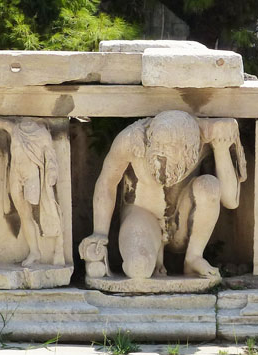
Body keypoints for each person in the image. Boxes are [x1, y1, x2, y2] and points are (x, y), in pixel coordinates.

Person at [78, 110, 246, 280]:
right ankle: (149, 252)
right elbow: (107, 182)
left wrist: (221, 148)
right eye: (158, 150)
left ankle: (193, 258)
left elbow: (230, 200)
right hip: (142, 214)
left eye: (169, 154)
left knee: (209, 185)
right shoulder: (132, 139)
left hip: (182, 222)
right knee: (138, 268)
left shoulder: (206, 136)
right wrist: (99, 234)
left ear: (189, 151)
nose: (161, 157)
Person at [0, 114, 64, 267]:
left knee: (44, 211)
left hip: (32, 177)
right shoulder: (16, 129)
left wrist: (51, 175)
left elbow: (51, 157)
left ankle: (57, 249)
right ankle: (34, 251)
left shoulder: (42, 134)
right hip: (15, 175)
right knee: (24, 214)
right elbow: (2, 122)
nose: (25, 121)